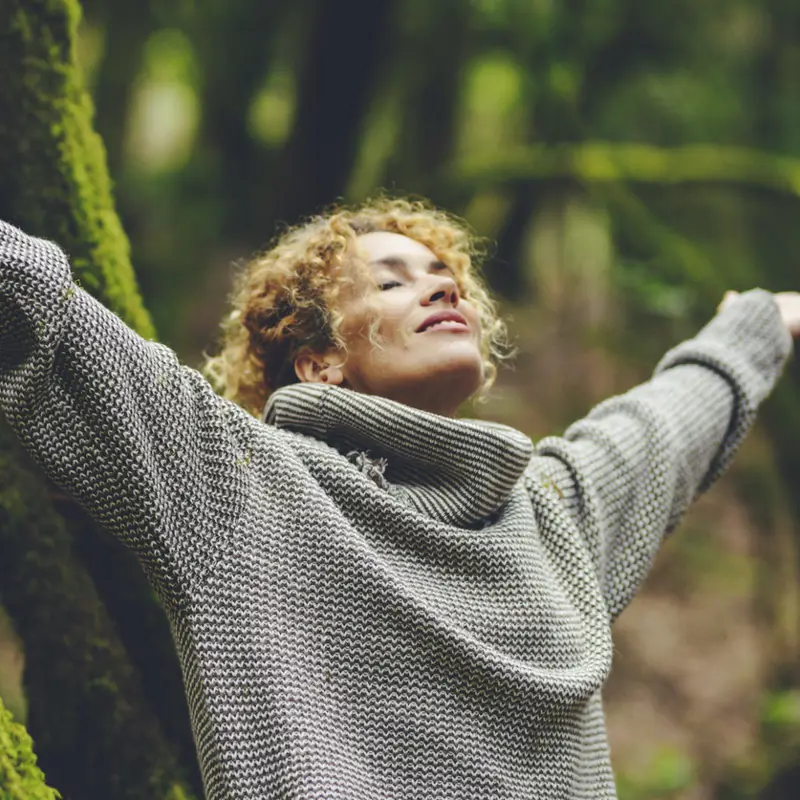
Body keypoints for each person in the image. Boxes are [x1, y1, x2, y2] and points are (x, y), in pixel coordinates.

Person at [0, 197, 797, 800]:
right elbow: (52, 322)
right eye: (391, 279)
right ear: (318, 362)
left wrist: (759, 326)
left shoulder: (550, 518)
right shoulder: (239, 485)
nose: (441, 286)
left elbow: (658, 427)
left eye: (445, 276)